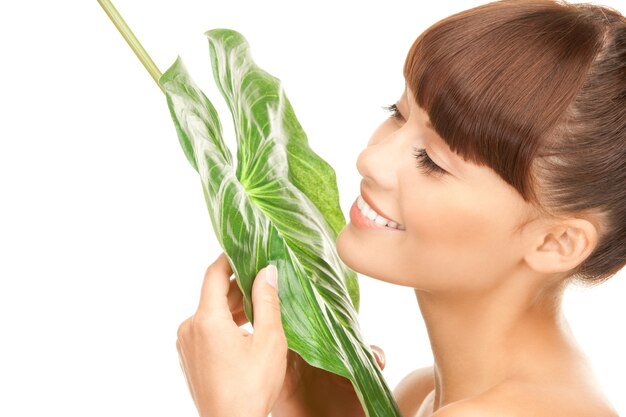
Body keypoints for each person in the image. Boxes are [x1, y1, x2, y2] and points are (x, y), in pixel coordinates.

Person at [175, 0, 625, 416]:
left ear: (557, 241)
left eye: (431, 160)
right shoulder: (422, 396)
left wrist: (230, 409)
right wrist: (311, 408)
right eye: (398, 112)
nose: (371, 159)